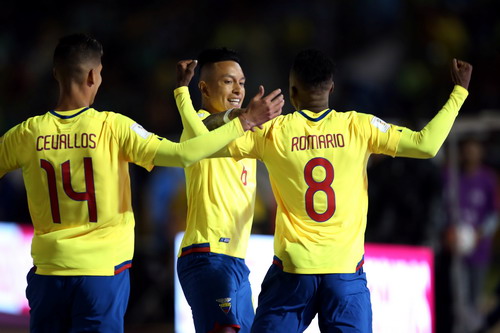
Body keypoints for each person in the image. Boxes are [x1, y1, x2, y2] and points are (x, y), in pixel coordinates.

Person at [0, 33, 282, 333]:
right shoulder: (113, 127)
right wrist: (242, 121)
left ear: (55, 73)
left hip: (48, 272)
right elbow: (184, 153)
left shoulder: (26, 133)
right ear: (96, 75)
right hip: (103, 273)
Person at [175, 49, 472, 332]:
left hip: (292, 273)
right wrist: (458, 93)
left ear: (292, 92)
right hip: (345, 274)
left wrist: (236, 116)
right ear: (331, 88)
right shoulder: (360, 126)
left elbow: (201, 139)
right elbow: (426, 144)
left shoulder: (273, 132)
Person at [174, 48, 283, 333]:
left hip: (236, 260)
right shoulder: (196, 124)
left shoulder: (245, 132)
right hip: (206, 254)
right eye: (228, 81)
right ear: (204, 87)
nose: (238, 89)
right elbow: (202, 131)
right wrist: (181, 91)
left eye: (242, 82)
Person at [441, 137, 499, 332]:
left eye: (474, 149)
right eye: (466, 149)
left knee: (474, 299)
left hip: (479, 250)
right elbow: (443, 208)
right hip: (455, 249)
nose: (470, 154)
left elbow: (494, 214)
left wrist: (478, 235)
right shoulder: (451, 177)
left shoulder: (488, 180)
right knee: (458, 298)